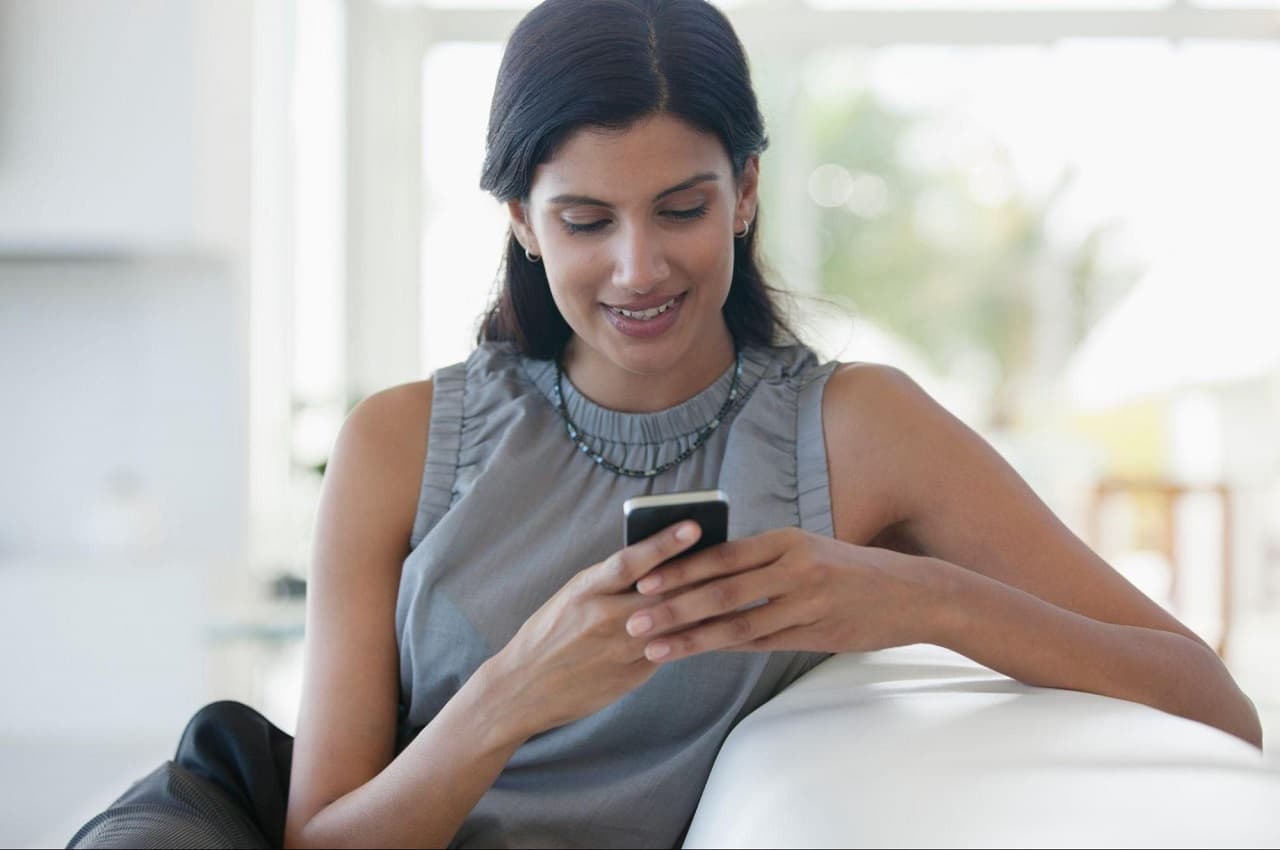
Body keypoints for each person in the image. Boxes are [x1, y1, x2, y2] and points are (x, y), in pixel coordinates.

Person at [69, 0, 1263, 848]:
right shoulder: (399, 443)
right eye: (584, 220)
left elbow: (1211, 700)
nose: (637, 268)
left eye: (681, 207)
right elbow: (324, 841)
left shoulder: (857, 430)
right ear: (522, 223)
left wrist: (919, 602)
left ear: (745, 192)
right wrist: (514, 690)